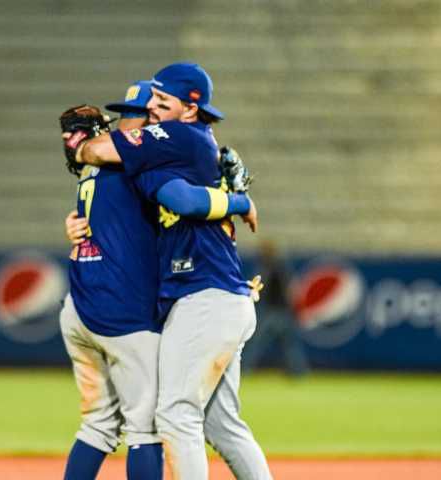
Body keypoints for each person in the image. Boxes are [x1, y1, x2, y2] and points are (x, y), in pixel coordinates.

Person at [68, 62, 272, 480]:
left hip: (204, 297)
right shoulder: (183, 146)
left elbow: (182, 200)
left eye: (162, 102)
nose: (152, 110)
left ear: (190, 110)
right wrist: (78, 222)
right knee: (222, 425)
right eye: (151, 102)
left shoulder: (173, 140)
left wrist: (239, 203)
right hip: (221, 296)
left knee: (176, 415)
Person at [242, 239, 310, 376]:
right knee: (288, 344)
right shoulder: (279, 267)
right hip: (280, 311)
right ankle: (298, 372)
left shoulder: (271, 267)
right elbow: (291, 289)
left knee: (258, 343)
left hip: (273, 311)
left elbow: (286, 290)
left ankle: (245, 369)